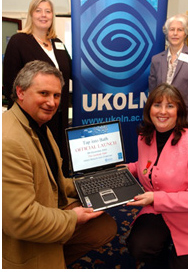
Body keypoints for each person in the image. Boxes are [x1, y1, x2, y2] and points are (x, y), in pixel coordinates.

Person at [2, 60, 117, 269]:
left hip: (48, 207)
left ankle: (57, 256)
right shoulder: (9, 141)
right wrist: (72, 218)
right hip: (21, 238)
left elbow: (55, 180)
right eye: (44, 93)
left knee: (105, 226)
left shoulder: (38, 125)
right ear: (20, 92)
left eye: (56, 95)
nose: (52, 102)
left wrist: (94, 183)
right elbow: (21, 220)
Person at [124, 83, 188, 269]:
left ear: (179, 111)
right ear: (149, 109)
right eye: (157, 104)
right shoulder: (144, 137)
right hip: (157, 211)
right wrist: (127, 169)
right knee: (139, 247)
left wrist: (155, 197)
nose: (163, 111)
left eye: (170, 106)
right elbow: (149, 166)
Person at [3, 0, 72, 176]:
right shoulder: (19, 41)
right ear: (31, 14)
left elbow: (71, 73)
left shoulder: (58, 44)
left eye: (48, 11)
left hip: (58, 115)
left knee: (58, 163)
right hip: (33, 117)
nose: (44, 15)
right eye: (38, 10)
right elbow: (10, 82)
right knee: (38, 166)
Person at [149, 14, 188, 126]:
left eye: (180, 30)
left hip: (185, 120)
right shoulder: (156, 60)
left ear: (186, 33)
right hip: (162, 120)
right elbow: (153, 94)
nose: (175, 33)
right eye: (172, 29)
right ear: (167, 33)